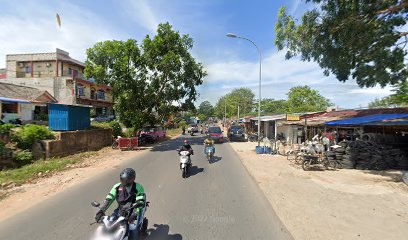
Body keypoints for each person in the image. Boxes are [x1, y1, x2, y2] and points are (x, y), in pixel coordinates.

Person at [95, 168, 145, 240]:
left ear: (133, 179)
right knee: (109, 224)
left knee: (132, 227)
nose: (125, 182)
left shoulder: (138, 187)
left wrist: (134, 214)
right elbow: (109, 199)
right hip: (120, 210)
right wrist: (101, 211)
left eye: (127, 180)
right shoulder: (117, 187)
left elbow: (140, 202)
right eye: (123, 179)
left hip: (133, 210)